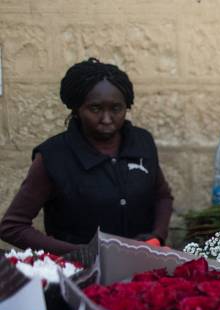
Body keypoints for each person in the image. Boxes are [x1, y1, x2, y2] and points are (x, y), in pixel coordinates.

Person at [0, 58, 174, 254]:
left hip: (143, 270)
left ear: (127, 106)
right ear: (77, 109)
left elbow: (162, 196)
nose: (107, 119)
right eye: (95, 109)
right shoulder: (54, 156)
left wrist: (157, 235)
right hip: (81, 274)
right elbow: (12, 226)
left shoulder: (142, 142)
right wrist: (82, 253)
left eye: (116, 108)